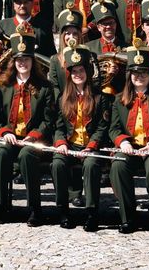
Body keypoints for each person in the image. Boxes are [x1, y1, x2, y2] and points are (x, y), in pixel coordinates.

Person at [108, 43, 149, 236]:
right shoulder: (119, 99)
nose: (139, 77)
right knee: (118, 165)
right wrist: (124, 142)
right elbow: (114, 129)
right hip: (130, 149)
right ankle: (128, 218)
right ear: (129, 75)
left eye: (144, 73)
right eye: (135, 73)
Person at [0, 25, 54, 226]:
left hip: (34, 140)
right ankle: (1, 206)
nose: (22, 63)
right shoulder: (2, 86)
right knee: (0, 153)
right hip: (9, 137)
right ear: (13, 61)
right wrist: (5, 131)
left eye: (26, 59)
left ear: (32, 61)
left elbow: (48, 119)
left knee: (27, 154)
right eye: (19, 59)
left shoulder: (45, 88)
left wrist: (34, 135)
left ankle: (35, 208)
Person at [51, 39, 108, 232]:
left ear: (87, 72)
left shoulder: (99, 98)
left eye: (81, 71)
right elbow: (58, 127)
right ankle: (63, 210)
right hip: (70, 144)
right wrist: (61, 143)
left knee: (91, 164)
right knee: (58, 163)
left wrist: (91, 146)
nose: (77, 75)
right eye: (74, 71)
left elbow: (102, 127)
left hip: (91, 146)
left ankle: (92, 212)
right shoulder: (63, 99)